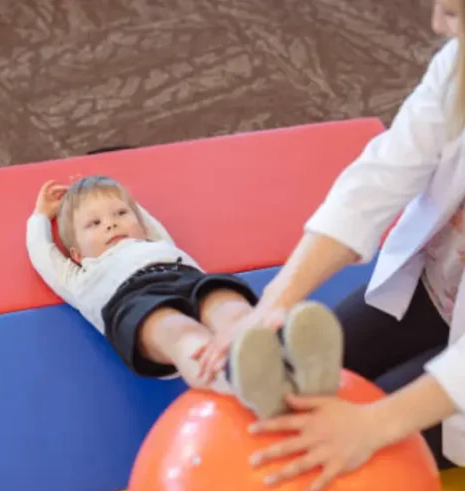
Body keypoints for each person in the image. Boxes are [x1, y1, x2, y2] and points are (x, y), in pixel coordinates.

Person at [198, 0, 465, 491]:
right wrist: (277, 298)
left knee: (339, 454)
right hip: (433, 291)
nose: (436, 25)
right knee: (279, 385)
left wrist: (372, 425)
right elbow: (378, 179)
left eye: (454, 13)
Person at [25, 175, 344, 419]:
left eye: (120, 213)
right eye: (94, 224)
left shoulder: (156, 242)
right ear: (76, 254)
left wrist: (112, 193)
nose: (111, 223)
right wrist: (40, 216)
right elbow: (43, 255)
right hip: (134, 300)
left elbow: (141, 216)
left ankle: (285, 354)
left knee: (228, 306)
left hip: (188, 279)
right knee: (179, 332)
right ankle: (232, 379)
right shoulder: (80, 277)